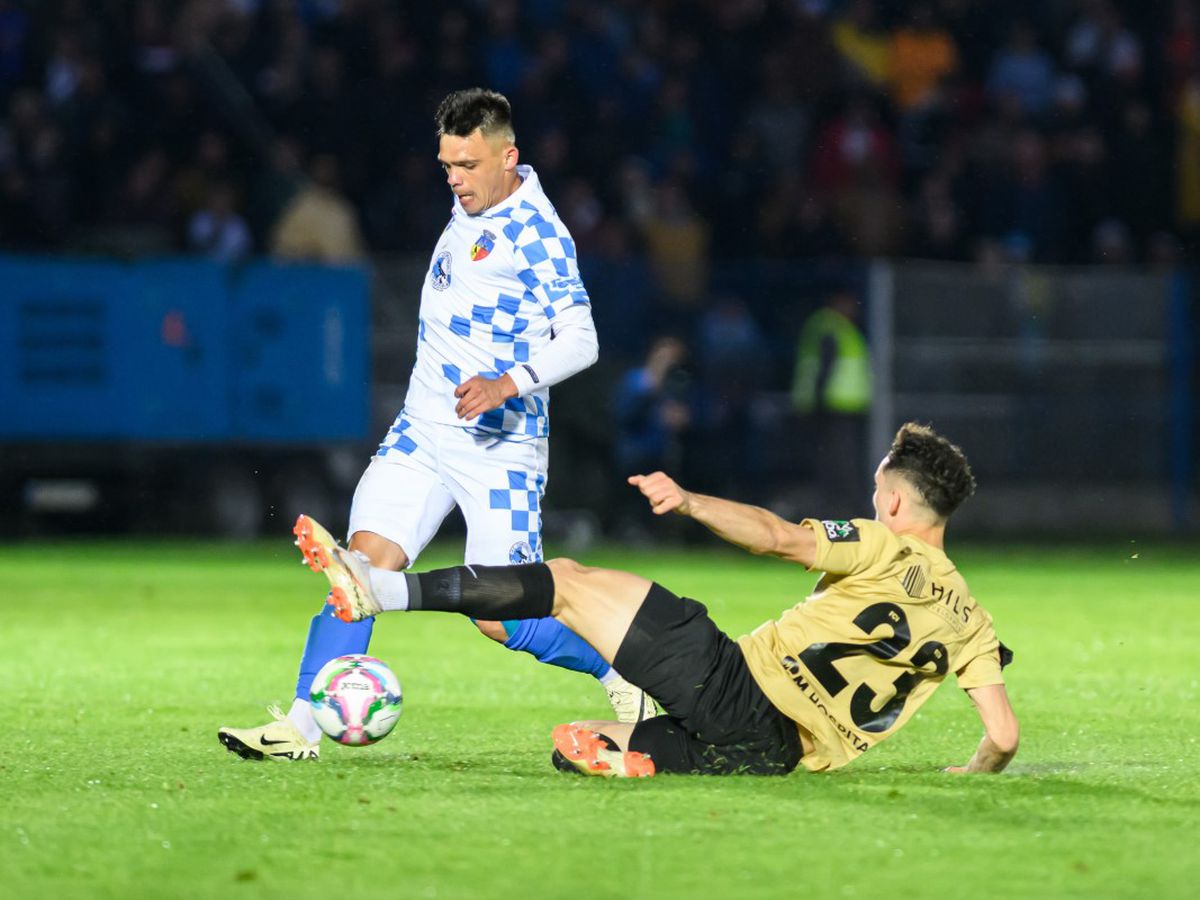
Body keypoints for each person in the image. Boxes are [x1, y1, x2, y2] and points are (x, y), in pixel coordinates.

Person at [219, 88, 652, 762]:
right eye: (447, 165)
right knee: (357, 573)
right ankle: (301, 727)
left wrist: (506, 383)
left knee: (502, 618)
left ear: (509, 158)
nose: (455, 180)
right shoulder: (472, 196)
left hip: (499, 447)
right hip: (422, 431)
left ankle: (618, 670)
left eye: (469, 166)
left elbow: (583, 338)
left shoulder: (538, 234)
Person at [294, 422, 1018, 777]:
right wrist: (971, 771)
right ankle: (638, 757)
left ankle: (382, 588)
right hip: (774, 756)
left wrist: (692, 501)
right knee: (571, 744)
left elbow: (778, 538)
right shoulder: (971, 619)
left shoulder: (882, 543)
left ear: (892, 499)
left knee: (568, 580)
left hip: (735, 686)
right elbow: (1004, 738)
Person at [791, 288, 873, 515]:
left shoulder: (831, 326)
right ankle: (846, 513)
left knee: (833, 463)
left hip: (837, 407)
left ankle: (834, 511)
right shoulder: (832, 327)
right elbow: (825, 368)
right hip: (834, 408)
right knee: (841, 465)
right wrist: (818, 404)